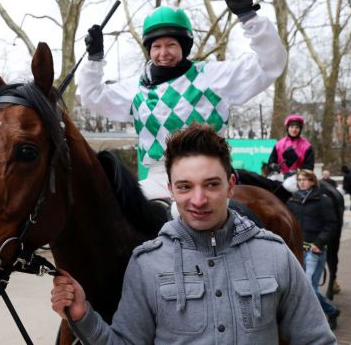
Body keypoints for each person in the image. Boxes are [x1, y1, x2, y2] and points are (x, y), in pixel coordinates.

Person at [51, 124, 336, 344]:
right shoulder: (146, 264)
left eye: (211, 185)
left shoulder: (275, 255)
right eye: (185, 187)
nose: (198, 200)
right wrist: (82, 315)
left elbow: (316, 339)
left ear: (231, 185)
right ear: (171, 190)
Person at [78, 0, 287, 200]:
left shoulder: (210, 76)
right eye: (156, 46)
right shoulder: (136, 88)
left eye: (171, 45)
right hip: (157, 179)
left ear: (183, 47)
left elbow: (270, 64)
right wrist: (94, 59)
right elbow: (92, 96)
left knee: (182, 213)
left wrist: (248, 16)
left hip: (206, 175)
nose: (163, 53)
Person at [286, 169, 341, 330]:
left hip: (315, 250)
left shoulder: (323, 200)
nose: (301, 182)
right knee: (298, 287)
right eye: (299, 180)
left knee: (309, 288)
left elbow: (332, 225)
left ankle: (332, 311)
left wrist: (319, 242)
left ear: (312, 181)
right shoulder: (292, 201)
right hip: (297, 250)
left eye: (304, 179)